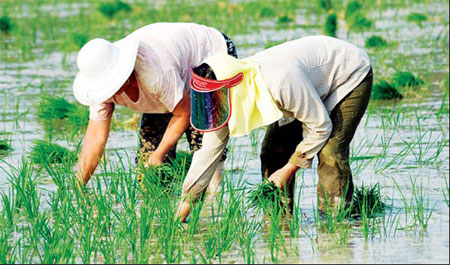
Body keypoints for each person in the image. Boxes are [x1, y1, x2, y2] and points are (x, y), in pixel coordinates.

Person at [176, 35, 373, 222]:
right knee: (273, 151)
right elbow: (207, 154)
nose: (213, 106)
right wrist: (181, 214)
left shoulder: (279, 82)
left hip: (347, 73)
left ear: (232, 89)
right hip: (306, 86)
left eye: (216, 100)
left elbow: (320, 127)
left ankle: (335, 223)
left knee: (330, 151)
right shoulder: (224, 101)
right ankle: (279, 221)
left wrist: (288, 170)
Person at [72, 22, 237, 187]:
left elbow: (183, 113)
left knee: (203, 139)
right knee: (148, 166)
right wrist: (78, 187)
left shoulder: (154, 74)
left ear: (123, 75)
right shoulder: (99, 89)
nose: (107, 92)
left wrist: (159, 154)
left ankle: (214, 198)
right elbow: (95, 138)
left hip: (210, 54)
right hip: (170, 75)